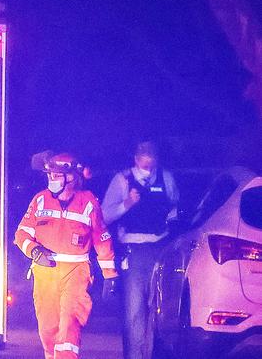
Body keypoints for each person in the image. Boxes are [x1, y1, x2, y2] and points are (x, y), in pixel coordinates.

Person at [14, 152, 118, 359]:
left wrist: (110, 275)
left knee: (69, 325)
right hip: (45, 272)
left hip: (76, 272)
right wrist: (34, 251)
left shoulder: (88, 203)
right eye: (50, 175)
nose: (52, 179)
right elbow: (22, 233)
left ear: (71, 177)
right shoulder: (40, 200)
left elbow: (101, 239)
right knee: (48, 329)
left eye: (57, 175)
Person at [101, 141, 179, 359]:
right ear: (136, 159)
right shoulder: (122, 180)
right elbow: (105, 216)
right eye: (145, 160)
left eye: (152, 160)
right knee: (134, 312)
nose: (149, 165)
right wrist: (127, 204)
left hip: (160, 249)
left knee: (159, 310)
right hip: (133, 252)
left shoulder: (166, 178)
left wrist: (170, 224)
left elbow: (174, 207)